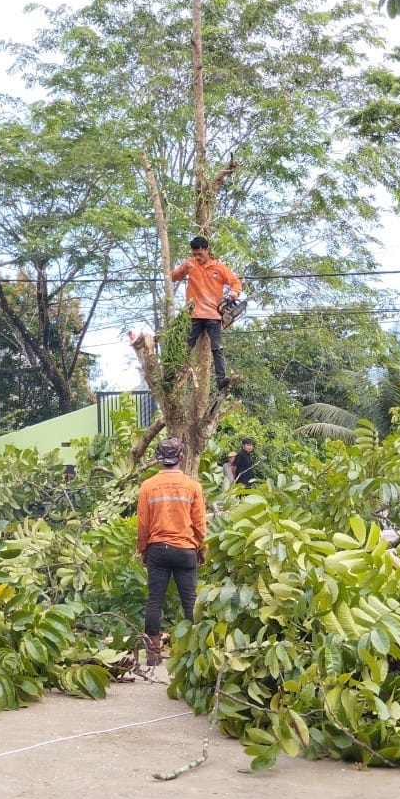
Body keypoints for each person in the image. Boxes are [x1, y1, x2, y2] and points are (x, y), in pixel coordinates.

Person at [136, 437, 207, 666]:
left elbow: (143, 525)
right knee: (191, 602)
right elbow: (199, 524)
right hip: (186, 550)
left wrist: (143, 550)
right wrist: (201, 548)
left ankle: (153, 654)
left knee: (154, 601)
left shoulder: (148, 486)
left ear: (158, 459)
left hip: (158, 549)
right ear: (181, 458)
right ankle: (195, 653)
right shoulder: (193, 486)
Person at [170, 235, 243, 391]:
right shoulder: (190, 264)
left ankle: (221, 379)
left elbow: (236, 282)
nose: (197, 257)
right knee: (186, 347)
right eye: (195, 254)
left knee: (217, 347)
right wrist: (183, 269)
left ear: (207, 249)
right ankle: (173, 377)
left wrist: (234, 293)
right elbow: (173, 277)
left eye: (200, 254)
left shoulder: (220, 268)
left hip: (213, 314)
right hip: (193, 314)